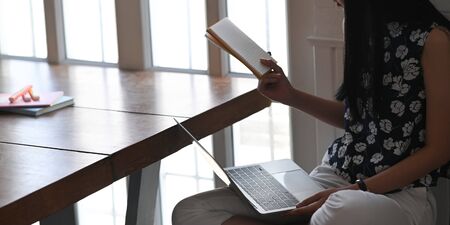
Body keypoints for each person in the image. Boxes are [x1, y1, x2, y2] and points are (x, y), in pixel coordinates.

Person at [172, 0, 450, 224]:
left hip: (395, 197)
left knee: (344, 208)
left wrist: (354, 191)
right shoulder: (361, 27)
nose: (336, 1)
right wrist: (290, 96)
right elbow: (358, 120)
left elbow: (439, 150)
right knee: (192, 210)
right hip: (331, 178)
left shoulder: (433, 40)